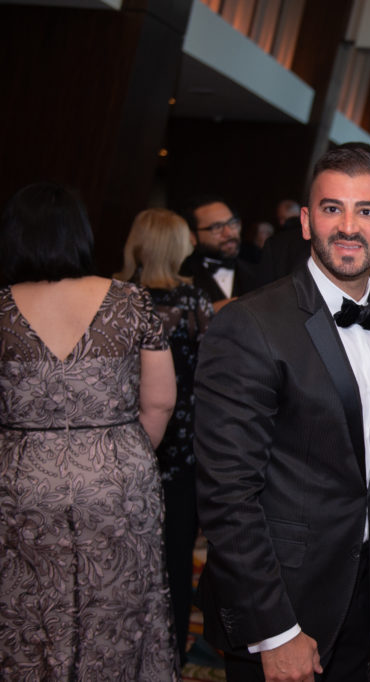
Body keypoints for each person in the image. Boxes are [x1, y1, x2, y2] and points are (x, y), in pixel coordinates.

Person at [194, 146, 370, 682]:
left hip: (365, 602)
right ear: (308, 221)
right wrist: (275, 630)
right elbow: (227, 494)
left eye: (366, 210)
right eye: (333, 208)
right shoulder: (250, 324)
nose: (349, 227)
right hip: (282, 602)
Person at [0, 183, 179, 679]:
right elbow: (161, 401)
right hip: (116, 479)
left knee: (26, 611)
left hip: (22, 484)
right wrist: (117, 457)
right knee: (122, 608)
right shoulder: (131, 301)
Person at [116, 207, 216, 665]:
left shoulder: (113, 297)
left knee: (117, 557)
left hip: (120, 444)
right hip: (180, 448)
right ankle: (169, 657)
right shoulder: (193, 301)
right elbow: (211, 373)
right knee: (175, 558)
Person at [180, 195, 259, 310]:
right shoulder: (179, 277)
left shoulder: (258, 271)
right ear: (192, 236)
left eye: (232, 223)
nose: (228, 233)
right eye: (217, 227)